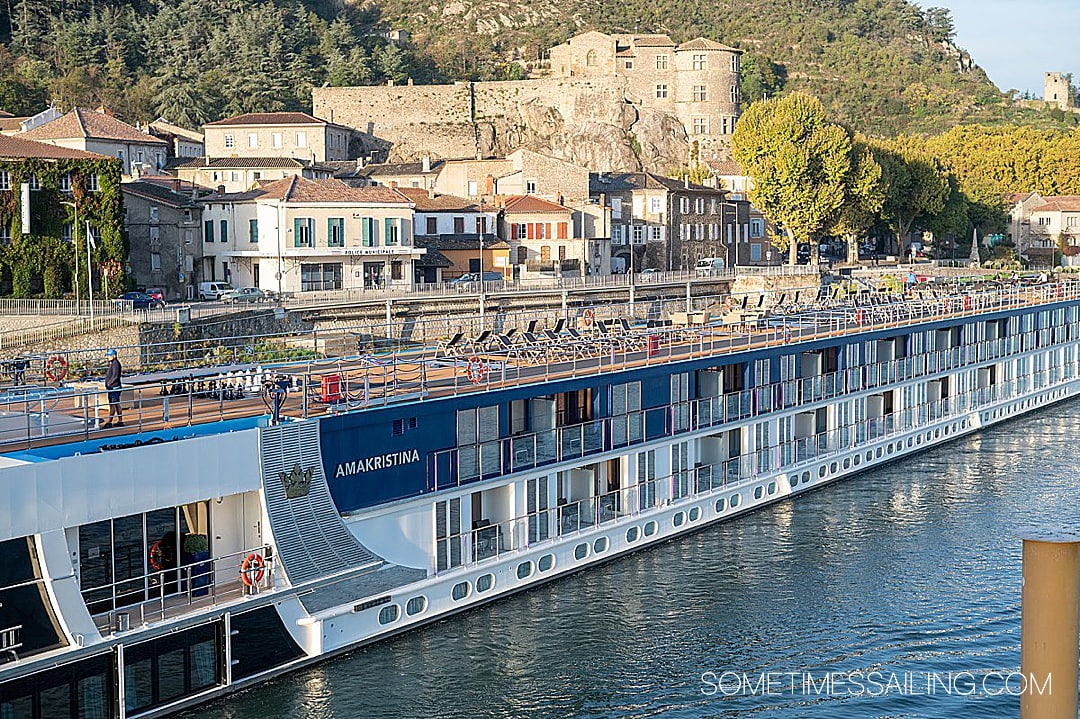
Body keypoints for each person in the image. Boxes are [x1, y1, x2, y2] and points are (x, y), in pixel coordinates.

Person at [103, 348, 123, 428]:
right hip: (113, 387)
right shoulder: (113, 363)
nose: (108, 357)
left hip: (114, 387)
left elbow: (115, 376)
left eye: (109, 356)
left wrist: (109, 383)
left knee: (113, 404)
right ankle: (120, 420)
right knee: (116, 404)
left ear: (114, 356)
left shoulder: (115, 364)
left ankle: (109, 421)